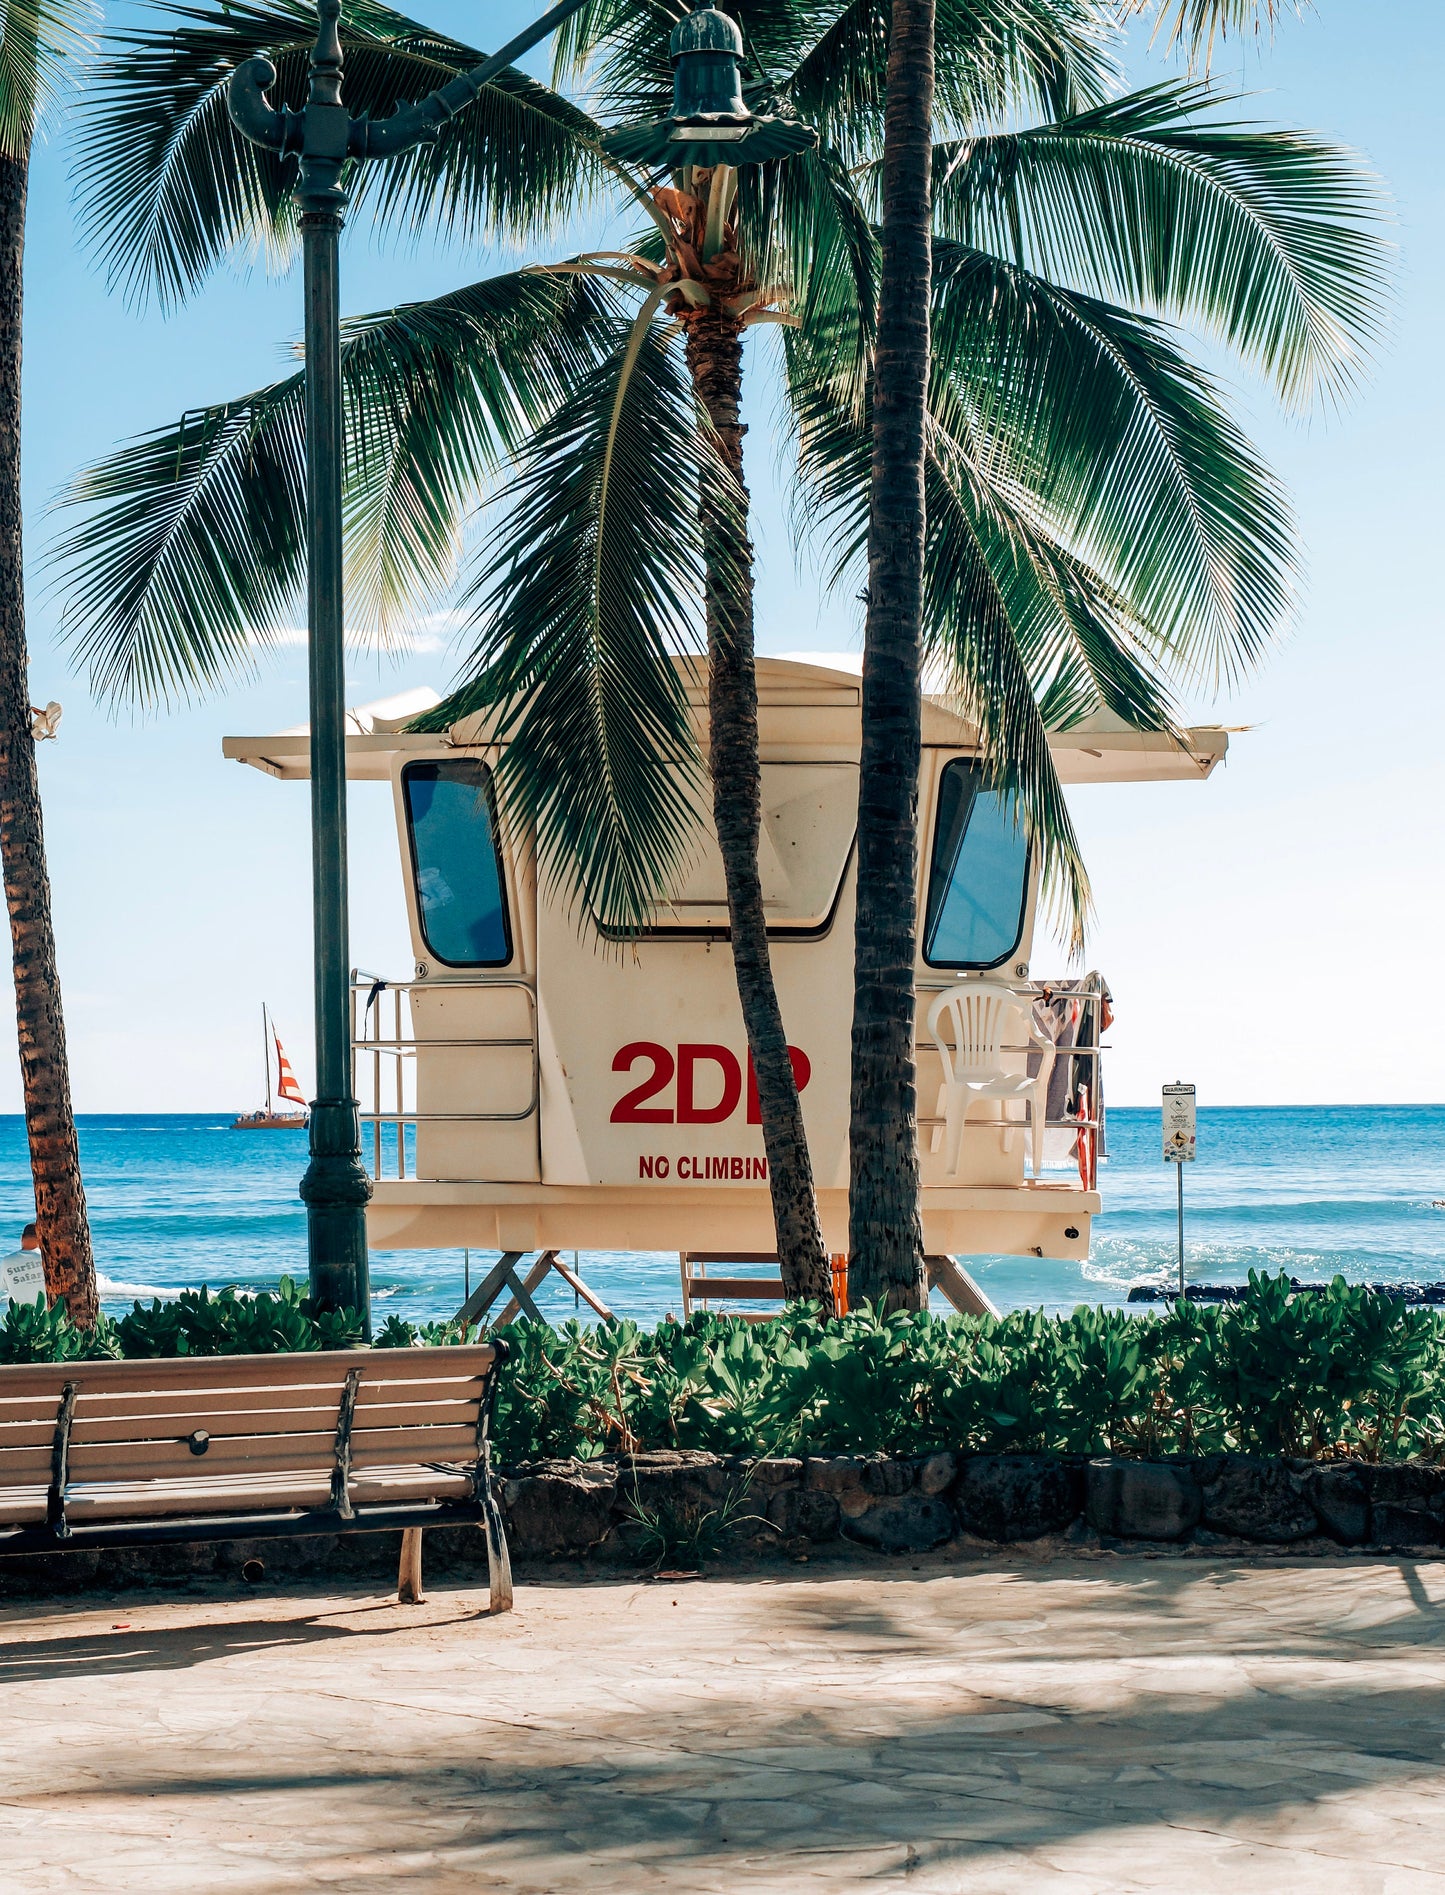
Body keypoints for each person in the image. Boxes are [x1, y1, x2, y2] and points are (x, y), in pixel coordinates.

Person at [0, 1222, 47, 1307]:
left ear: (21, 1237)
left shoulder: (7, 1261)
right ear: (41, 1238)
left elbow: (2, 1287)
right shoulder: (47, 1259)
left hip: (18, 1317)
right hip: (47, 1316)